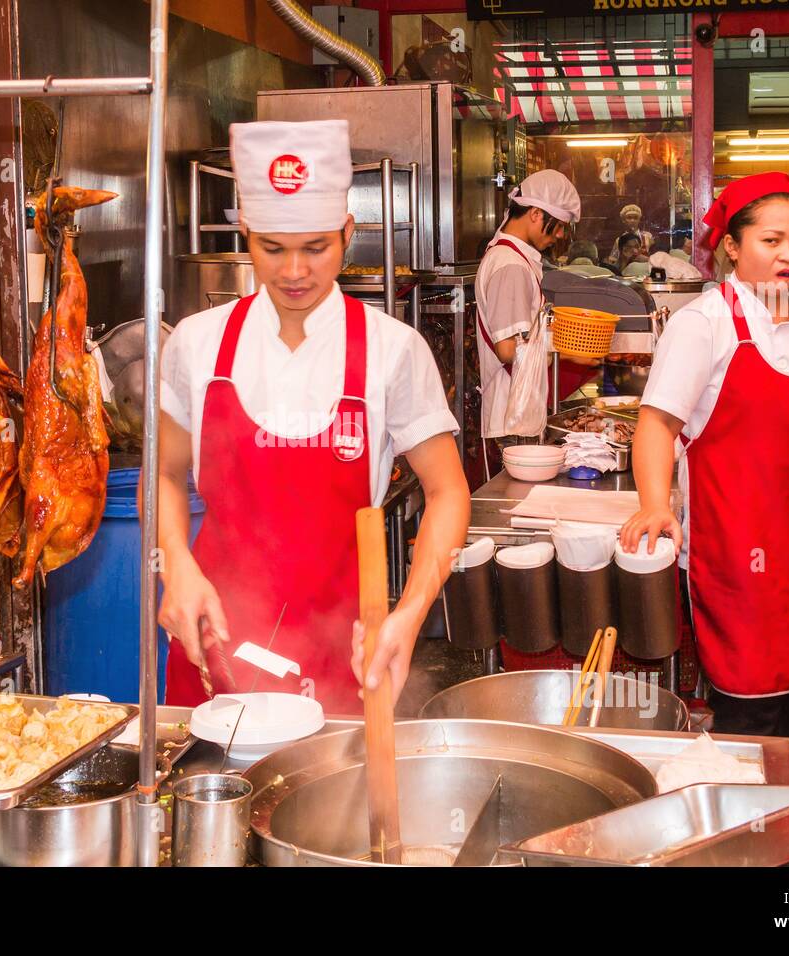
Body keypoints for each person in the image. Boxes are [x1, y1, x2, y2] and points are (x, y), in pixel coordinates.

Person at [156, 120, 470, 712]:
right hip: (214, 651)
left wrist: (410, 613)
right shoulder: (196, 345)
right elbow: (167, 474)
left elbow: (448, 492)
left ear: (349, 232)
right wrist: (176, 563)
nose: (294, 271)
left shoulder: (392, 350)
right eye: (272, 248)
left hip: (346, 655)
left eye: (316, 247)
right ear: (244, 230)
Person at [622, 171, 789, 771]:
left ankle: (781, 813)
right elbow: (657, 425)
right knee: (747, 706)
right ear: (733, 248)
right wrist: (656, 502)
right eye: (771, 241)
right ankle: (750, 834)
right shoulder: (704, 324)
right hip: (738, 555)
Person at [473, 170, 584, 460]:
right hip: (514, 419)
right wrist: (570, 352)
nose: (560, 235)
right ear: (535, 213)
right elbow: (509, 350)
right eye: (558, 226)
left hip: (519, 413)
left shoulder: (512, 258)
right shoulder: (511, 266)